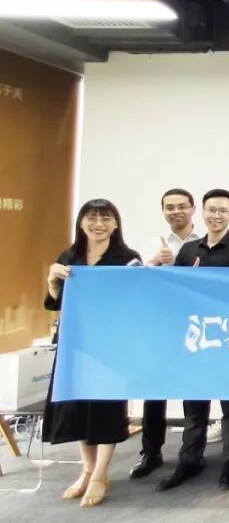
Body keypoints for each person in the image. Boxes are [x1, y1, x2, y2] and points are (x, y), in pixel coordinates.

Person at [159, 189, 229, 493]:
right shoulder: (189, 250)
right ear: (202, 212)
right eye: (211, 210)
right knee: (194, 405)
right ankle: (189, 461)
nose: (216, 216)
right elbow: (176, 294)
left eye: (223, 211)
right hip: (197, 338)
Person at [43, 199, 141, 507]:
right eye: (92, 217)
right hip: (75, 342)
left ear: (116, 223)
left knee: (105, 407)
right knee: (77, 406)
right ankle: (86, 470)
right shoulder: (69, 256)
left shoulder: (127, 259)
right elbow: (55, 302)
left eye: (105, 218)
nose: (98, 224)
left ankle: (100, 474)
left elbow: (138, 298)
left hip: (110, 344)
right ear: (81, 222)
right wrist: (52, 283)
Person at [130, 188, 202, 481]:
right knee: (154, 390)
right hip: (160, 324)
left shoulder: (205, 242)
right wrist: (154, 262)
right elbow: (134, 280)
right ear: (163, 211)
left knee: (194, 392)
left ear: (193, 208)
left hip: (196, 325)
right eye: (170, 207)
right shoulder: (152, 244)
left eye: (182, 206)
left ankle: (191, 455)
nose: (176, 212)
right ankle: (150, 452)